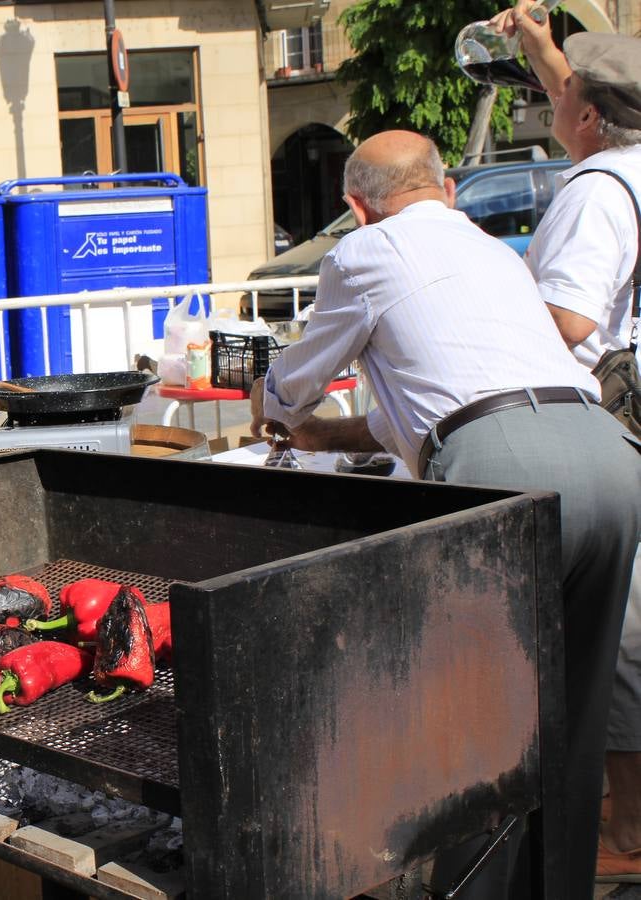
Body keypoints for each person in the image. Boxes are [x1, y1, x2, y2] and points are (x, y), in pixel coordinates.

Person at [249, 129, 641, 900]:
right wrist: (328, 432)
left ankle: (473, 891)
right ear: (448, 188)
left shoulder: (363, 254)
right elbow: (456, 396)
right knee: (574, 709)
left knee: (476, 717)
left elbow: (297, 382)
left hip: (502, 469)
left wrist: (275, 407)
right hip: (610, 456)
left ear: (356, 207)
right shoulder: (496, 253)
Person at [493, 9, 641, 881]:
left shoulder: (596, 190)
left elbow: (572, 317)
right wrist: (543, 44)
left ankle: (627, 833)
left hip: (596, 413)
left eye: (565, 92)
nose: (554, 97)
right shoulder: (628, 156)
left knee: (615, 626)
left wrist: (489, 309)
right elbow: (582, 90)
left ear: (588, 117)